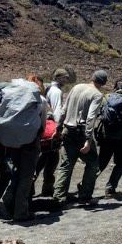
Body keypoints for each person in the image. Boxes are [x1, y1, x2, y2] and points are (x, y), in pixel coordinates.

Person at [53, 70, 108, 207]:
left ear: (92, 77)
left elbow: (64, 109)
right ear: (103, 83)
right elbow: (90, 118)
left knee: (66, 165)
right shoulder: (97, 95)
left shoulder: (76, 87)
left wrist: (58, 128)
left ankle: (58, 199)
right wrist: (88, 140)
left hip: (68, 130)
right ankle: (85, 196)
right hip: (81, 132)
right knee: (93, 163)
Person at [0, 74, 48, 221]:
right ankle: (21, 212)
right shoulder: (40, 100)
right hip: (31, 142)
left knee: (17, 171)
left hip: (13, 141)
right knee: (26, 176)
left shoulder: (14, 96)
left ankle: (6, 200)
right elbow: (43, 126)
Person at [34, 68, 69, 196]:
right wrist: (58, 129)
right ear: (59, 78)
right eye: (65, 77)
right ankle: (47, 188)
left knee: (44, 158)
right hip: (51, 129)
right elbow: (57, 111)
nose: (67, 80)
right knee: (51, 158)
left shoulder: (49, 89)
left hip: (45, 127)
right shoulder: (56, 91)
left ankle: (41, 187)